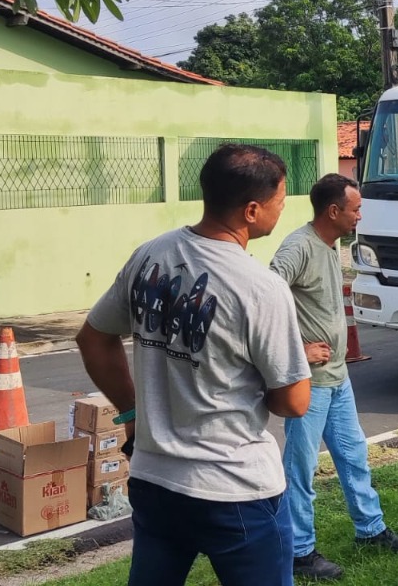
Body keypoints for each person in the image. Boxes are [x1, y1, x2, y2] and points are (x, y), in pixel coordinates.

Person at [75, 143, 313, 586]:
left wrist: (133, 415)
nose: (282, 211)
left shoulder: (151, 255)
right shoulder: (261, 287)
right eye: (281, 202)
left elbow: (93, 339)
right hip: (235, 488)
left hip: (154, 480)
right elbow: (293, 402)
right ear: (252, 210)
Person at [270, 173, 398, 581]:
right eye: (355, 209)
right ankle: (300, 552)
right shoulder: (298, 247)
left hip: (338, 380)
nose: (360, 215)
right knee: (300, 471)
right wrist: (297, 352)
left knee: (354, 457)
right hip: (309, 384)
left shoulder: (331, 244)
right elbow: (263, 300)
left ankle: (369, 530)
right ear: (333, 211)